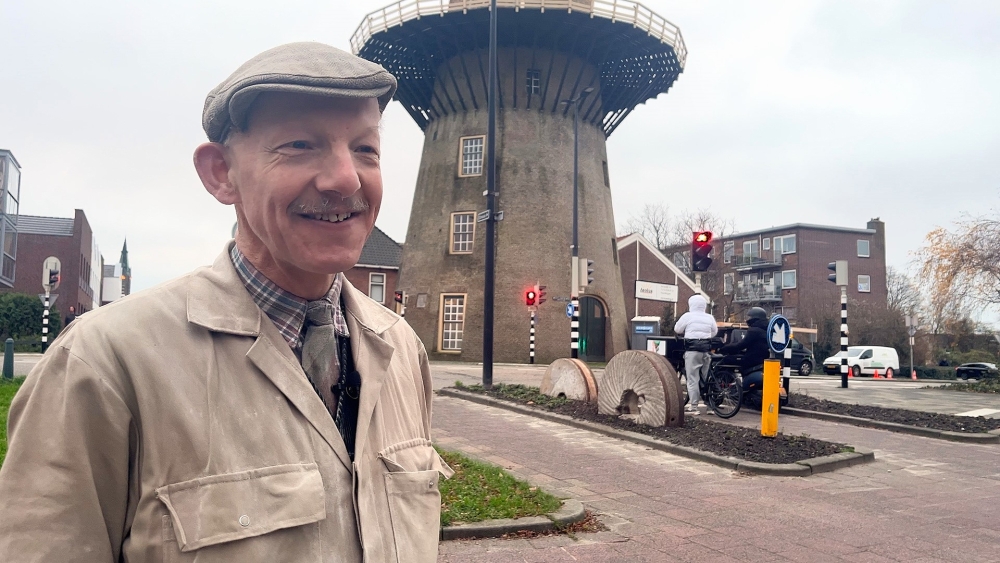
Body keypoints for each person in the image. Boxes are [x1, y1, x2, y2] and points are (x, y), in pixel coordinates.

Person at [0, 42, 452, 563]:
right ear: (221, 173)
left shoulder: (401, 352)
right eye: (301, 144)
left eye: (365, 150)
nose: (346, 178)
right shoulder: (105, 363)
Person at [673, 294, 718, 414]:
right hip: (706, 350)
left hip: (692, 351)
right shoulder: (709, 317)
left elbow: (677, 329)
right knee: (706, 378)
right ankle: (710, 406)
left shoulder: (687, 316)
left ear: (690, 304)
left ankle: (694, 407)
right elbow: (714, 331)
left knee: (693, 379)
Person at [720, 307, 772, 394]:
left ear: (754, 318)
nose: (748, 320)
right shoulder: (767, 330)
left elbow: (740, 345)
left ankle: (726, 384)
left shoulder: (754, 330)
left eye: (749, 317)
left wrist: (725, 348)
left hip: (751, 360)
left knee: (726, 360)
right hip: (762, 359)